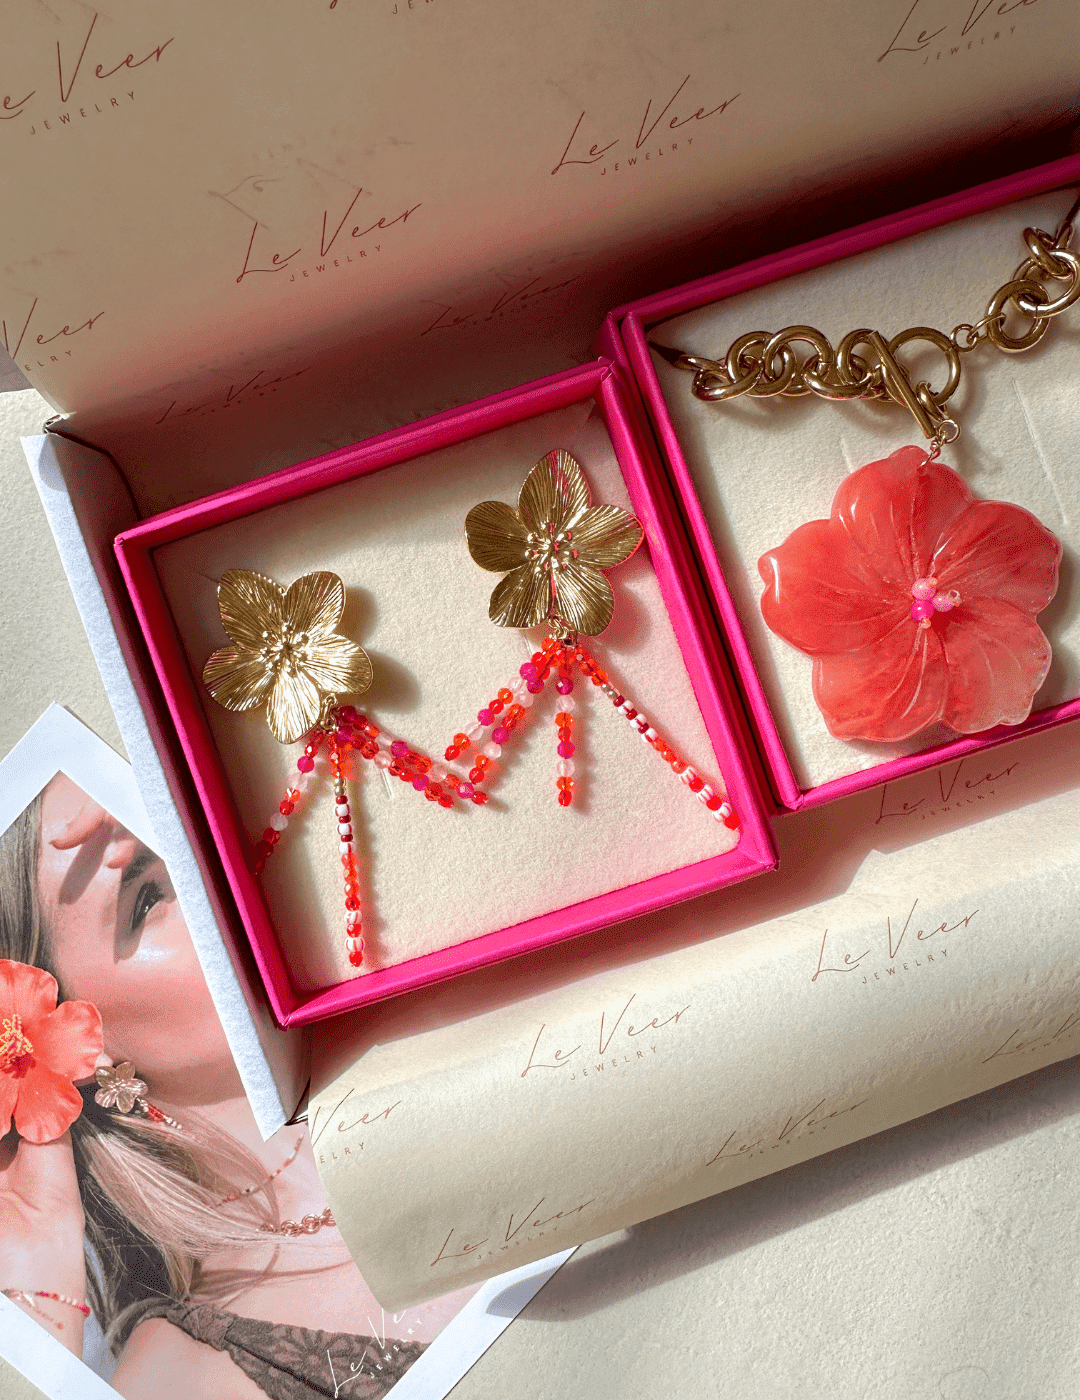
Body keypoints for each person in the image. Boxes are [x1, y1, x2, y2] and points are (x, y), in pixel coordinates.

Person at [0, 775, 473, 1399]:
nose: (206, 880)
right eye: (144, 897)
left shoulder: (453, 1005)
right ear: (79, 1048)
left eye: (184, 832)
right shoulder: (187, 1372)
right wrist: (35, 1317)